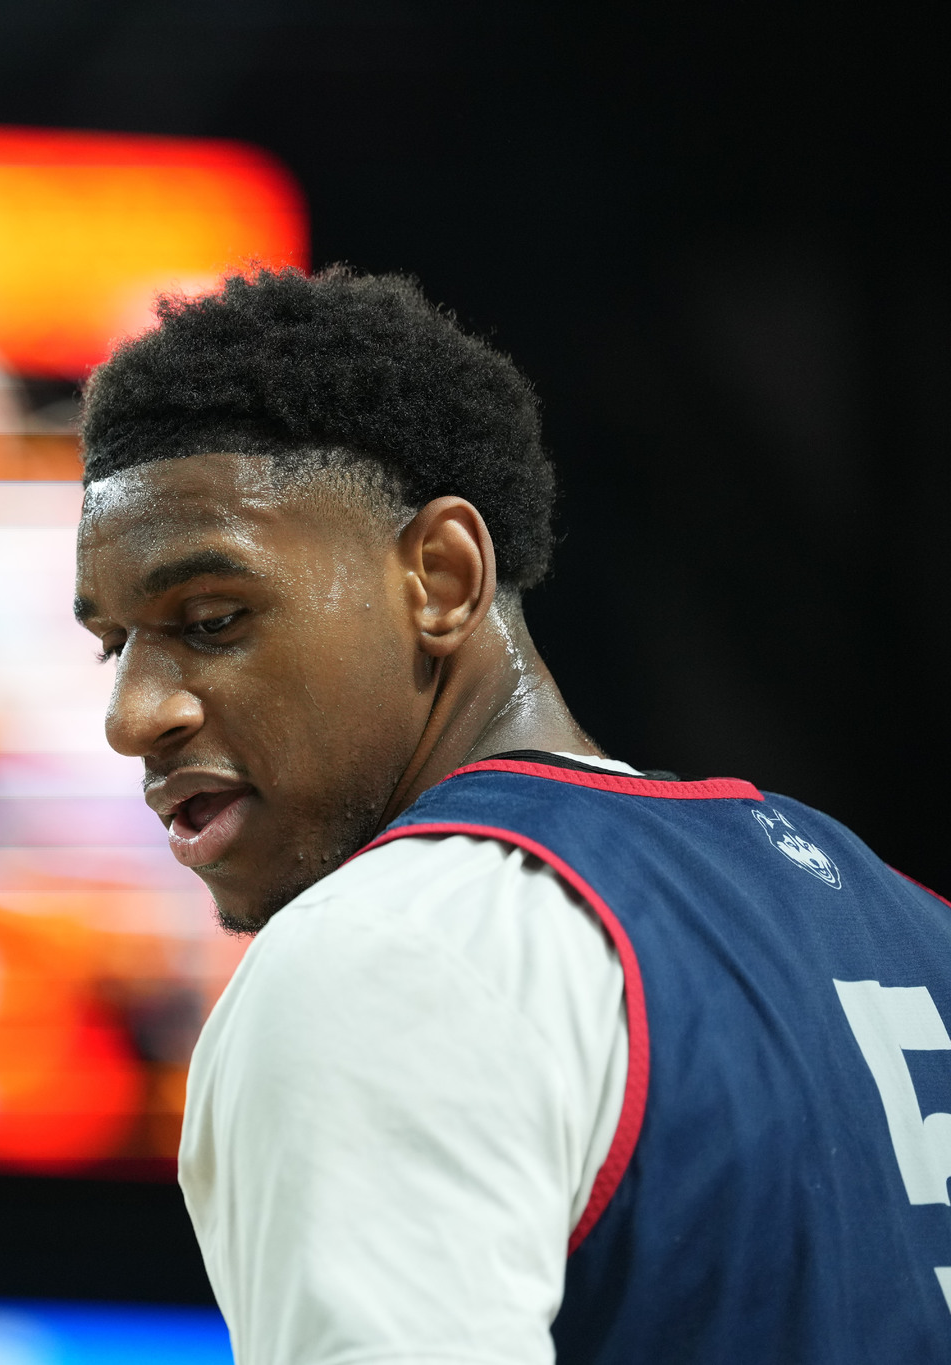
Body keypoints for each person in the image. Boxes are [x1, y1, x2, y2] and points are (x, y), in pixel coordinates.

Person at [71, 266, 951, 1363]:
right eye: (112, 645)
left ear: (439, 578)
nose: (132, 715)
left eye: (207, 619)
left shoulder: (384, 952)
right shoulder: (900, 915)